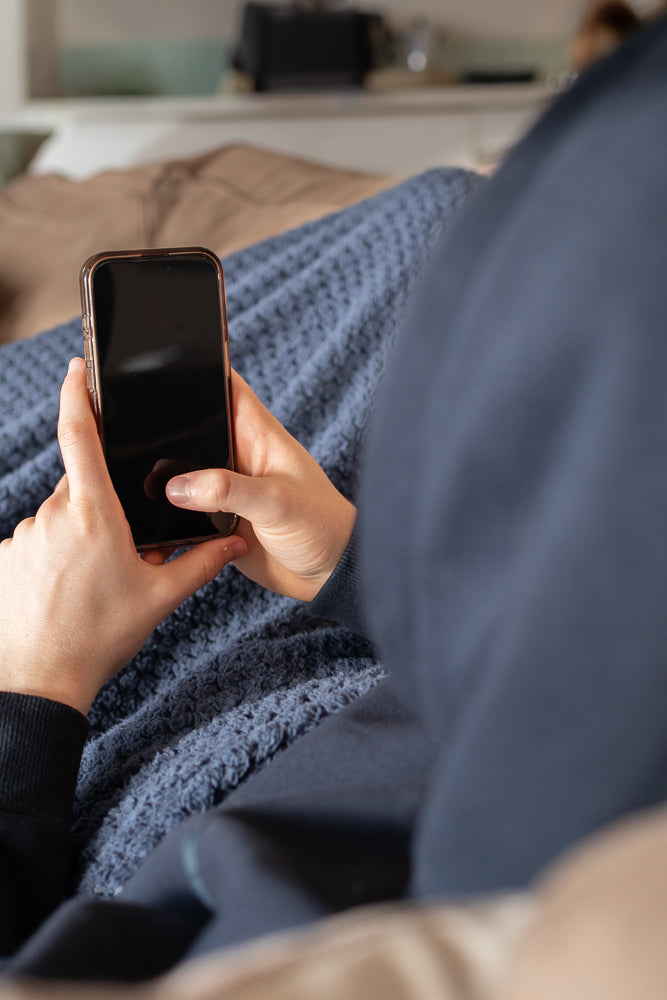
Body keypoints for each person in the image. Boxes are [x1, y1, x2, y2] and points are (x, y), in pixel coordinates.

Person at [0, 11, 666, 988]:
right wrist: (351, 562)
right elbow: (546, 665)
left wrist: (34, 686)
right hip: (371, 589)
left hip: (138, 679)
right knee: (429, 216)